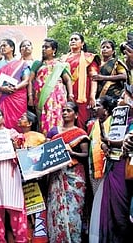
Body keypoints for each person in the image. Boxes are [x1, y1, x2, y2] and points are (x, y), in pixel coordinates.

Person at [89, 89, 132, 243]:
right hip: (113, 165)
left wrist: (110, 143)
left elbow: (122, 142)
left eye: (123, 96)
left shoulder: (130, 122)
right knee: (112, 210)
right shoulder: (118, 120)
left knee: (121, 210)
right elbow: (108, 140)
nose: (120, 99)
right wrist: (106, 145)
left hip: (124, 167)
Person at [46, 101, 90, 243]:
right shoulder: (53, 131)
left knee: (73, 212)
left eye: (69, 110)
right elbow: (46, 152)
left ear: (76, 115)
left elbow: (86, 155)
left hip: (74, 177)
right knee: (56, 210)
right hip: (56, 175)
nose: (65, 112)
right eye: (63, 110)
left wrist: (72, 153)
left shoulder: (80, 133)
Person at [0, 107, 28, 242]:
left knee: (16, 210)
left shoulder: (12, 133)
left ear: (3, 117)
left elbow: (22, 151)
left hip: (10, 175)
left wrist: (15, 145)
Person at [30, 38, 73, 134]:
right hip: (41, 97)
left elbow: (68, 79)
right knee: (43, 118)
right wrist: (30, 97)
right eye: (43, 47)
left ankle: (58, 139)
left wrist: (70, 94)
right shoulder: (37, 64)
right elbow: (30, 81)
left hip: (57, 97)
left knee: (58, 116)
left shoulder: (60, 65)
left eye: (46, 47)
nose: (43, 49)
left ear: (54, 50)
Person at [17, 111, 48, 243]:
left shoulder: (39, 137)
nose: (19, 119)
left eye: (23, 118)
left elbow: (44, 154)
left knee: (37, 209)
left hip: (36, 179)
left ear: (30, 123)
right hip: (20, 180)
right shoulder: (16, 137)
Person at [0, 39, 30, 132]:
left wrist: (15, 88)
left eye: (4, 45)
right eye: (1, 46)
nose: (2, 48)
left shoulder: (22, 64)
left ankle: (18, 141)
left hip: (17, 97)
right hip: (0, 96)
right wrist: (1, 88)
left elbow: (26, 81)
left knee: (18, 120)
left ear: (12, 48)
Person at [61, 32, 100, 129]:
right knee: (65, 120)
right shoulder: (62, 59)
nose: (73, 41)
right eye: (71, 39)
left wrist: (92, 96)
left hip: (82, 95)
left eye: (76, 39)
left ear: (82, 43)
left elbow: (93, 78)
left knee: (81, 120)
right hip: (65, 93)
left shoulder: (88, 57)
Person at [87, 96, 115, 194]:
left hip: (108, 167)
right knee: (97, 199)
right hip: (94, 168)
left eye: (98, 105)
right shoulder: (95, 124)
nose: (95, 108)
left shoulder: (113, 121)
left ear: (106, 110)